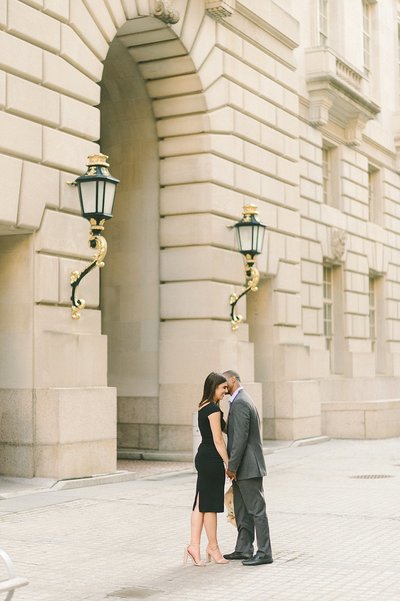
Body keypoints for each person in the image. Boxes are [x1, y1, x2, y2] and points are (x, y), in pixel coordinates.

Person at [222, 370, 273, 566]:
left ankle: (264, 552)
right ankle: (243, 549)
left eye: (225, 380)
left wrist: (232, 466)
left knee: (256, 511)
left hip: (248, 467)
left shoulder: (241, 401)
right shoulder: (238, 400)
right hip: (244, 467)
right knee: (242, 510)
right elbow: (237, 430)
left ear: (233, 379)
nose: (223, 385)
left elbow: (241, 439)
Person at [184, 372, 230, 567]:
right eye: (223, 388)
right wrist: (229, 463)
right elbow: (218, 440)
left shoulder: (203, 406)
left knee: (200, 503)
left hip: (204, 457)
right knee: (210, 506)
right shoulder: (213, 410)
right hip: (211, 459)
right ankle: (213, 547)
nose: (225, 392)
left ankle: (194, 546)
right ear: (214, 388)